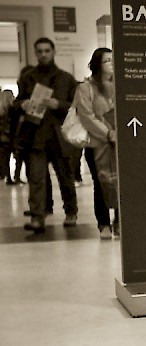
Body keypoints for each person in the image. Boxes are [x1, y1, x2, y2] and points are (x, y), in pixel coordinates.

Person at [15, 37, 78, 233]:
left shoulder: (66, 78)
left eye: (47, 51)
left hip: (60, 136)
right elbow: (17, 102)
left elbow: (77, 107)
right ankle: (37, 217)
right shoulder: (27, 78)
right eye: (39, 51)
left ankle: (71, 212)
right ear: (35, 53)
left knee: (65, 177)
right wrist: (22, 105)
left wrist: (59, 105)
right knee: (36, 178)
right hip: (35, 136)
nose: (43, 54)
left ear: (53, 52)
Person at [74, 47, 119, 239]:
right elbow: (86, 116)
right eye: (107, 60)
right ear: (97, 64)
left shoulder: (120, 85)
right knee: (101, 182)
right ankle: (103, 223)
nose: (111, 64)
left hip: (119, 144)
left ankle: (119, 220)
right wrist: (108, 132)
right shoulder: (85, 88)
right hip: (97, 144)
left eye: (112, 60)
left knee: (120, 183)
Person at [0, 90, 14, 182]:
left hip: (1, 136)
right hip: (7, 136)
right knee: (6, 158)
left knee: (2, 157)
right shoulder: (11, 109)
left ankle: (3, 175)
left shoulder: (1, 109)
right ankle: (8, 177)